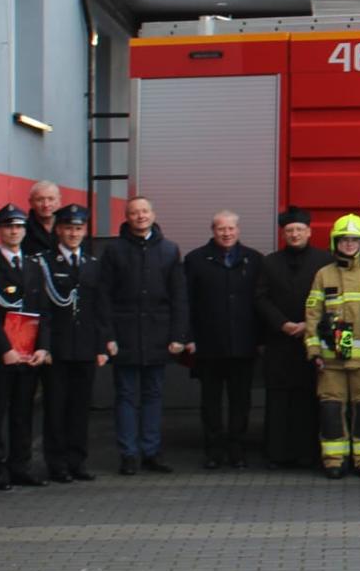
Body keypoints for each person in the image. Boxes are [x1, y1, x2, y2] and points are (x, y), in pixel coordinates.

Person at [99, 196, 188, 476]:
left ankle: (151, 451)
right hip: (124, 335)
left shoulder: (170, 250)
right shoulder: (113, 250)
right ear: (126, 217)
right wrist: (108, 336)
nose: (140, 216)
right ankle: (129, 454)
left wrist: (178, 335)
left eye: (145, 211)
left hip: (158, 335)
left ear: (153, 214)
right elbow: (103, 297)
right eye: (134, 212)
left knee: (153, 395)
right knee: (125, 396)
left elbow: (179, 297)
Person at [0, 203, 50, 491]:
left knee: (23, 413)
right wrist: (4, 349)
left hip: (28, 354)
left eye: (18, 227)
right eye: (8, 227)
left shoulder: (34, 266)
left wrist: (43, 347)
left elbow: (44, 310)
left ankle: (20, 465)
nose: (14, 232)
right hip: (0, 355)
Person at [303, 215, 360, 479]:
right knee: (331, 409)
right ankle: (334, 460)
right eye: (345, 239)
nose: (350, 244)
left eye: (354, 239)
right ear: (336, 242)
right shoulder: (324, 275)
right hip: (332, 361)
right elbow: (312, 314)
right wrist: (314, 351)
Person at [32, 204, 109, 483]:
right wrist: (45, 345)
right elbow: (43, 311)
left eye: (78, 229)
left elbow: (101, 309)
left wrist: (101, 346)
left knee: (79, 408)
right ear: (58, 230)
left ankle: (77, 461)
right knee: (56, 408)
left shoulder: (92, 265)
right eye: (68, 228)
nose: (73, 234)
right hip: (58, 349)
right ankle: (57, 463)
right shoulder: (45, 263)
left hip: (85, 348)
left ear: (85, 231)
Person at [185, 210, 263, 470]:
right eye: (221, 229)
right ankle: (213, 451)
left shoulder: (254, 260)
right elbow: (187, 303)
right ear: (213, 230)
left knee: (241, 401)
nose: (226, 233)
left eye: (231, 229)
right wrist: (189, 337)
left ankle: (237, 449)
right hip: (209, 345)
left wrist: (260, 340)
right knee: (211, 402)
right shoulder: (195, 260)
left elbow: (260, 303)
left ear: (238, 230)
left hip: (244, 345)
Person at [256, 207, 333, 469]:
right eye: (289, 230)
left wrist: (308, 325)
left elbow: (332, 300)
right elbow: (261, 298)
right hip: (279, 341)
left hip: (311, 341)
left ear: (309, 231)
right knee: (278, 399)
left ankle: (307, 453)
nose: (294, 234)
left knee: (308, 398)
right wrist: (283, 324)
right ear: (283, 234)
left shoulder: (325, 261)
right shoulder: (269, 262)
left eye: (299, 229)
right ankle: (278, 454)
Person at [24, 180, 62, 257]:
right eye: (40, 200)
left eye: (51, 199)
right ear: (31, 202)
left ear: (59, 200)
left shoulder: (69, 228)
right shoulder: (22, 229)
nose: (46, 205)